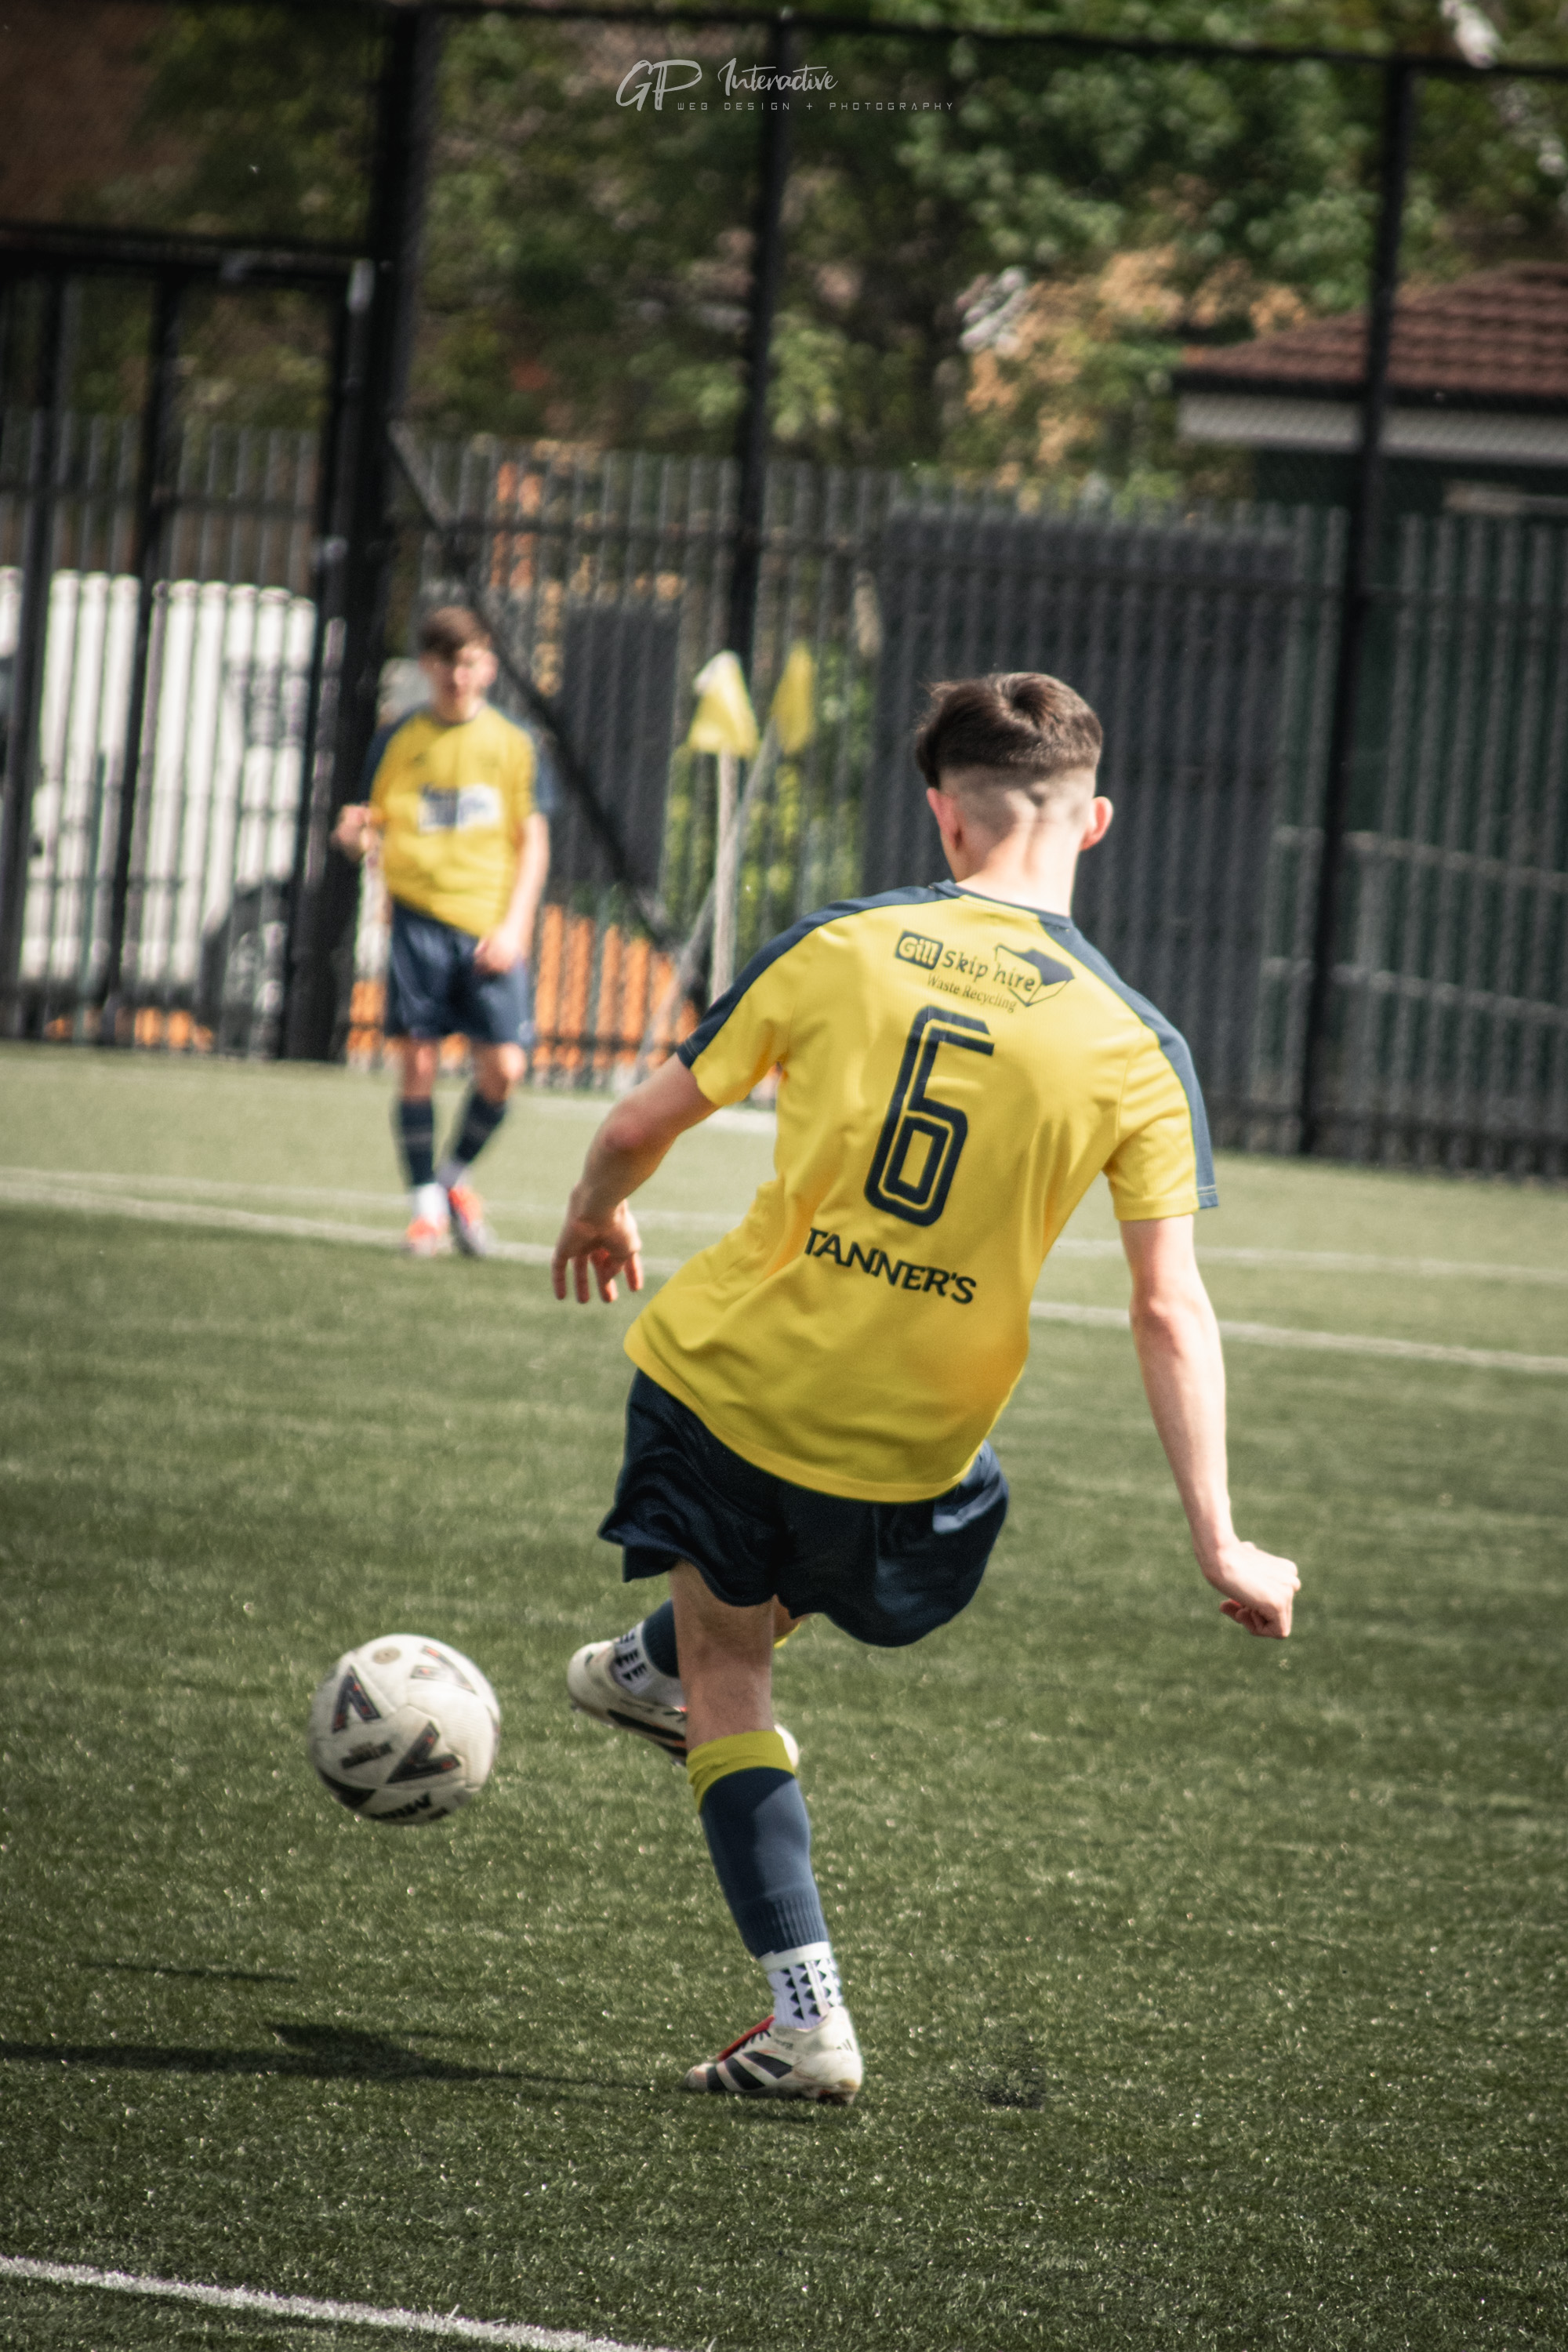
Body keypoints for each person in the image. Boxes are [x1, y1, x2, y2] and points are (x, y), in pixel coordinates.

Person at [552, 671, 1299, 2106]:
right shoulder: (1139, 1047)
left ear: (944, 819)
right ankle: (657, 1670)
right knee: (813, 1569)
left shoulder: (844, 943)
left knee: (731, 1667)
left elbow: (643, 1119)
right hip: (913, 1446)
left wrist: (597, 1208)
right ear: (1096, 824)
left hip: (729, 1379)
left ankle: (803, 2018)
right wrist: (1220, 1537)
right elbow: (1167, 1304)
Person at [333, 607, 550, 1258]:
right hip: (419, 923)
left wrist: (514, 926)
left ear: (486, 664)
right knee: (419, 1064)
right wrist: (352, 837)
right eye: (446, 662)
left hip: (489, 928)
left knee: (505, 1069)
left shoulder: (513, 744)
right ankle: (425, 1208)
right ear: (427, 666)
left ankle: (454, 1177)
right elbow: (363, 822)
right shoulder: (399, 738)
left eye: (470, 661)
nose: (459, 675)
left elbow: (533, 842)